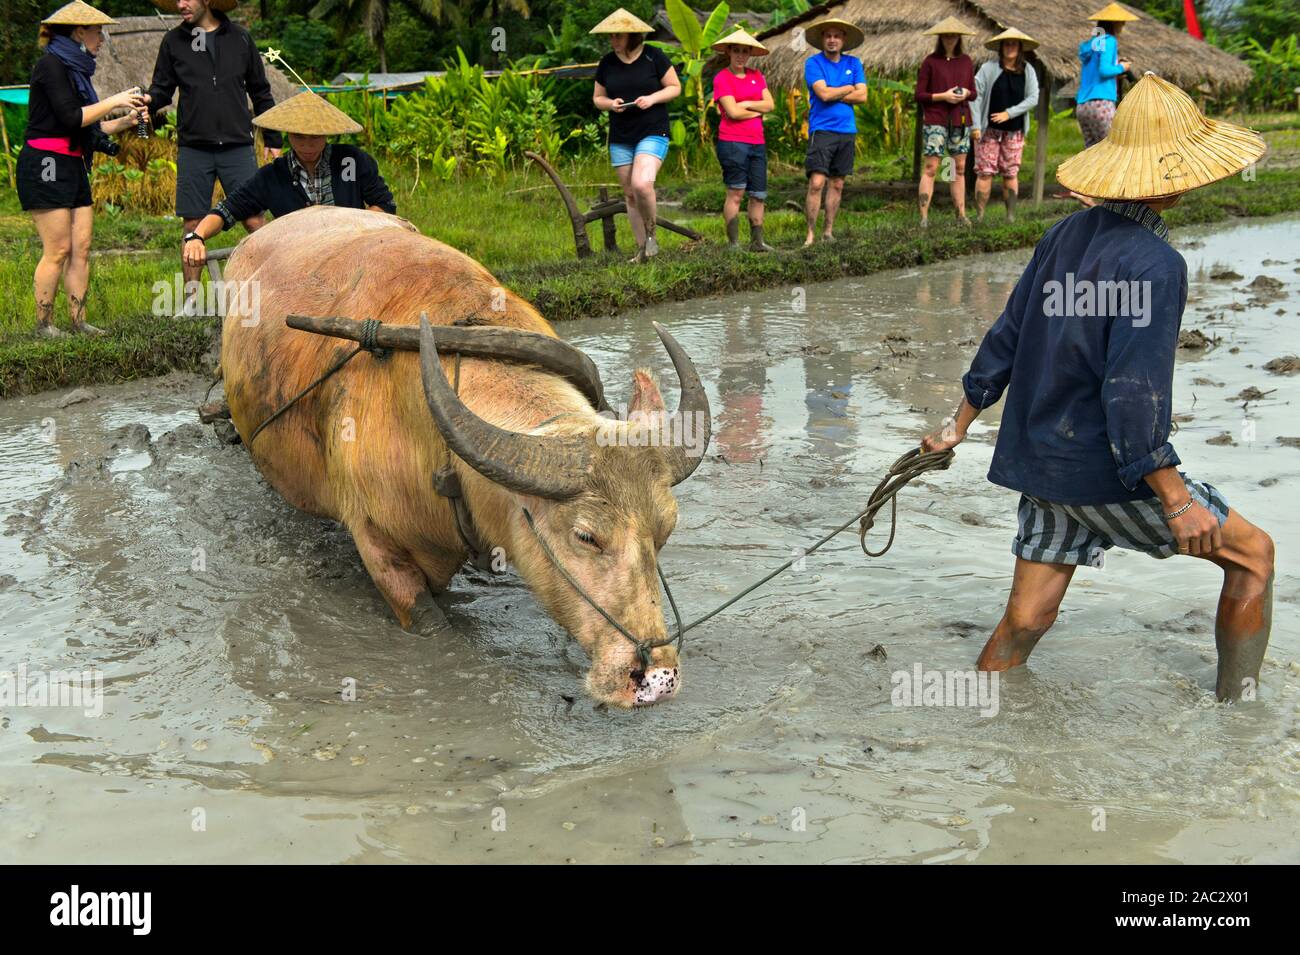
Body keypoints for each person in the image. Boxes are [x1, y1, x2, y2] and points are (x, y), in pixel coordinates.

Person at [920, 73, 1272, 703]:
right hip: (1106, 469)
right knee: (1254, 557)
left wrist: (959, 423)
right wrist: (1174, 496)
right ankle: (1240, 714)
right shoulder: (1156, 263)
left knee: (1026, 621)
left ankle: (973, 722)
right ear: (1180, 175)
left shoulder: (1062, 237)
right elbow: (1132, 392)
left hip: (1041, 464)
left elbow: (1006, 335)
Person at [19, 1, 148, 338]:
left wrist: (128, 120)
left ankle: (78, 322)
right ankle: (44, 325)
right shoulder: (51, 67)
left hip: (72, 162)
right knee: (59, 248)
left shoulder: (77, 70)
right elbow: (71, 118)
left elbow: (88, 129)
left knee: (82, 246)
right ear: (79, 31)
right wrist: (116, 99)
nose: (101, 39)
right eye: (97, 32)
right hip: (46, 163)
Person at [142, 0, 282, 307]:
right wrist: (146, 101)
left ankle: (274, 294)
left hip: (237, 146)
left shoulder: (241, 38)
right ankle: (192, 301)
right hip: (194, 148)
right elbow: (161, 89)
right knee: (193, 225)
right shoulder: (173, 41)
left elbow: (261, 91)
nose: (181, 5)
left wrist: (273, 137)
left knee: (254, 220)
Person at [181, 92, 396, 268]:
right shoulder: (272, 175)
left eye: (315, 137)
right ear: (288, 135)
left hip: (354, 256)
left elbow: (385, 205)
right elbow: (227, 210)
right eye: (299, 137)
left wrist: (349, 228)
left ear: (327, 134)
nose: (307, 146)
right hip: (300, 265)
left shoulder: (352, 159)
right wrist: (196, 236)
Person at [591, 8, 681, 264]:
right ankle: (642, 250)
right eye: (611, 37)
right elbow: (598, 98)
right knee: (630, 193)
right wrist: (611, 104)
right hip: (621, 136)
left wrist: (651, 98)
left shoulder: (655, 57)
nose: (613, 41)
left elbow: (675, 87)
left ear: (632, 35)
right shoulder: (607, 62)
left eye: (617, 36)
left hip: (653, 130)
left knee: (642, 184)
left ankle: (652, 236)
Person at [802, 18, 866, 246]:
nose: (832, 40)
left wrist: (835, 91)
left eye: (836, 36)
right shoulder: (813, 63)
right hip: (822, 130)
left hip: (847, 131)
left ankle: (828, 231)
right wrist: (849, 88)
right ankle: (810, 234)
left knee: (837, 182)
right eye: (828, 36)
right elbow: (824, 95)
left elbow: (863, 96)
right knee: (817, 182)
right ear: (822, 39)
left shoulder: (854, 63)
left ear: (844, 39)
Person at [711, 29, 775, 252]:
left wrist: (746, 105)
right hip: (732, 142)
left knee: (758, 194)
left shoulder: (757, 76)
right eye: (736, 51)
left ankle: (757, 242)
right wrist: (756, 111)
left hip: (757, 141)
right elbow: (732, 113)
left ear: (750, 53)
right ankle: (734, 243)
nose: (740, 55)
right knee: (736, 192)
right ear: (728, 51)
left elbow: (770, 105)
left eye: (744, 51)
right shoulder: (722, 78)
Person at [970, 28, 1039, 223]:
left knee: (1010, 173)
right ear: (1001, 47)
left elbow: (1033, 98)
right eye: (1006, 44)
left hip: (1014, 132)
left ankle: (1010, 216)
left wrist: (1009, 113)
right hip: (988, 131)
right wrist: (975, 125)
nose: (1010, 48)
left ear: (1019, 48)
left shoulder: (1028, 70)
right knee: (985, 172)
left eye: (1014, 44)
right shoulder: (988, 69)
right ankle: (980, 216)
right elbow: (976, 96)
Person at [914, 17, 977, 228]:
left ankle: (960, 213)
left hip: (960, 120)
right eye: (946, 35)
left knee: (957, 167)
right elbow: (920, 94)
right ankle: (923, 216)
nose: (950, 39)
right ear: (941, 37)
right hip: (936, 120)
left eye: (954, 35)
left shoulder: (966, 61)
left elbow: (974, 93)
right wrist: (944, 96)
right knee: (931, 167)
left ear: (959, 37)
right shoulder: (930, 62)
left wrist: (966, 93)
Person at [1076, 2, 1137, 148]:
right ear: (1114, 23)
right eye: (1122, 22)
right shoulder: (1109, 41)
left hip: (1083, 106)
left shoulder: (1091, 44)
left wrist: (1116, 70)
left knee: (1092, 153)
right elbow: (1104, 71)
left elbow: (1097, 71)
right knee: (1113, 150)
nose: (1123, 25)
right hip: (1101, 104)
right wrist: (1122, 67)